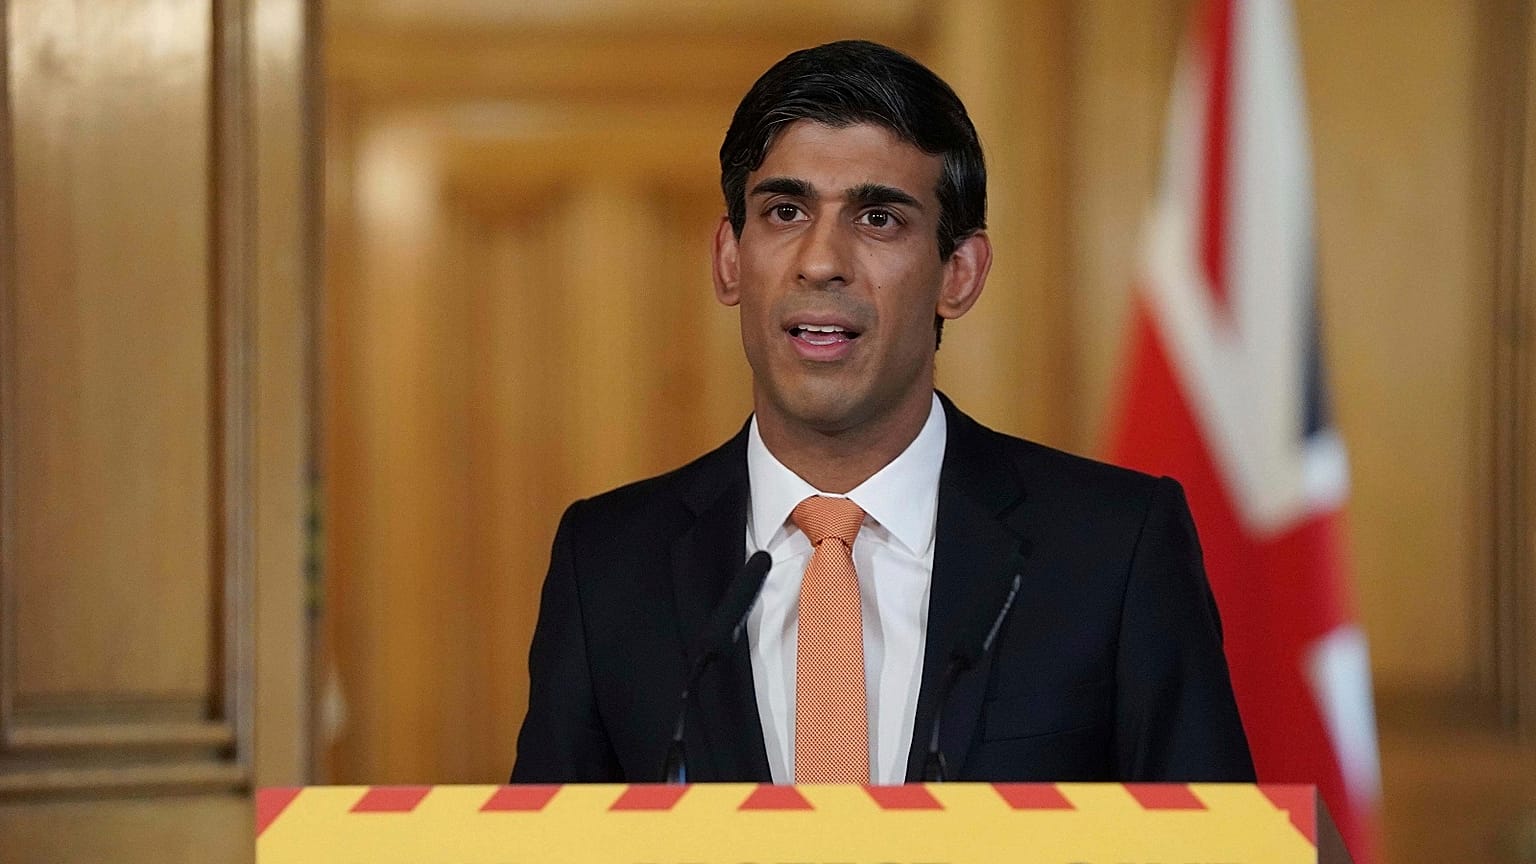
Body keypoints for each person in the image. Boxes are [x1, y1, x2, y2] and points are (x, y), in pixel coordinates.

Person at [511, 39, 1254, 785]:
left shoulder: (1112, 550)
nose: (821, 260)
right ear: (729, 259)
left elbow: (1217, 842)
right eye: (785, 210)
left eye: (878, 219)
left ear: (957, 275)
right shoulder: (607, 566)